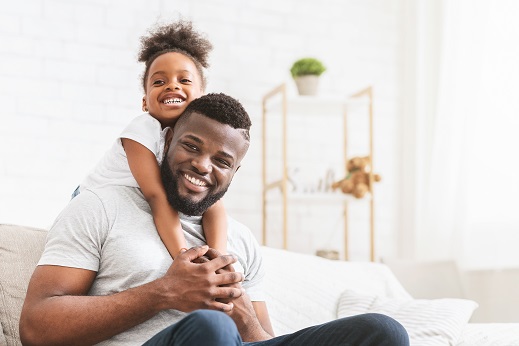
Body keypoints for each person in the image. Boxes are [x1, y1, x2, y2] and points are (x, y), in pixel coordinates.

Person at [20, 92, 409, 345]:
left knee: (382, 332)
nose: (203, 166)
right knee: (211, 327)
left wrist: (244, 318)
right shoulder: (101, 206)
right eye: (191, 146)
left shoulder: (239, 240)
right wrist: (165, 292)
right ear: (167, 140)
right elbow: (35, 326)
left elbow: (261, 340)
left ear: (234, 173)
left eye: (222, 161)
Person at [73, 20, 228, 259]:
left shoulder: (196, 141)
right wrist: (184, 258)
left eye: (184, 80)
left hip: (140, 202)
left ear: (201, 98)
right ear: (145, 102)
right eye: (159, 82)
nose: (172, 85)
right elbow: (156, 196)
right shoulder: (143, 128)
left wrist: (218, 259)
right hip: (94, 202)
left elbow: (213, 205)